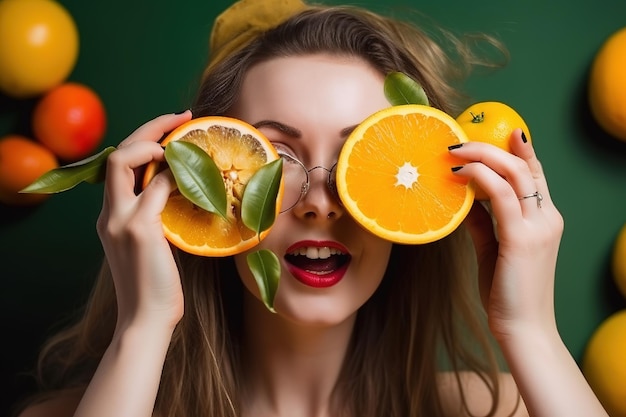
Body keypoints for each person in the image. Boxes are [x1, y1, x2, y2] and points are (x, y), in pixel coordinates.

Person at [14, 0, 608, 416]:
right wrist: (141, 330)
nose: (321, 205)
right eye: (276, 158)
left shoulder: (506, 409)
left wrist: (530, 330)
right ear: (200, 186)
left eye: (359, 161)